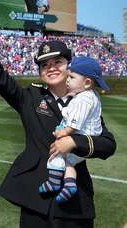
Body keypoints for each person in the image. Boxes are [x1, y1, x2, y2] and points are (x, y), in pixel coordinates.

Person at [0, 4, 116, 228]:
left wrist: (73, 141)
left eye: (58, 62)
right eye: (45, 64)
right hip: (35, 200)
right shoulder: (30, 97)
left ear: (70, 66)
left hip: (75, 204)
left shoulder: (86, 102)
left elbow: (107, 144)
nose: (52, 68)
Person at [39, 56, 110, 204]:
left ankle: (54, 182)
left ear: (87, 83)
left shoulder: (82, 100)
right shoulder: (89, 95)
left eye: (72, 77)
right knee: (69, 162)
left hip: (83, 135)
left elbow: (75, 121)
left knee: (58, 156)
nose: (68, 80)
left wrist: (64, 133)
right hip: (89, 135)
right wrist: (75, 95)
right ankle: (70, 184)